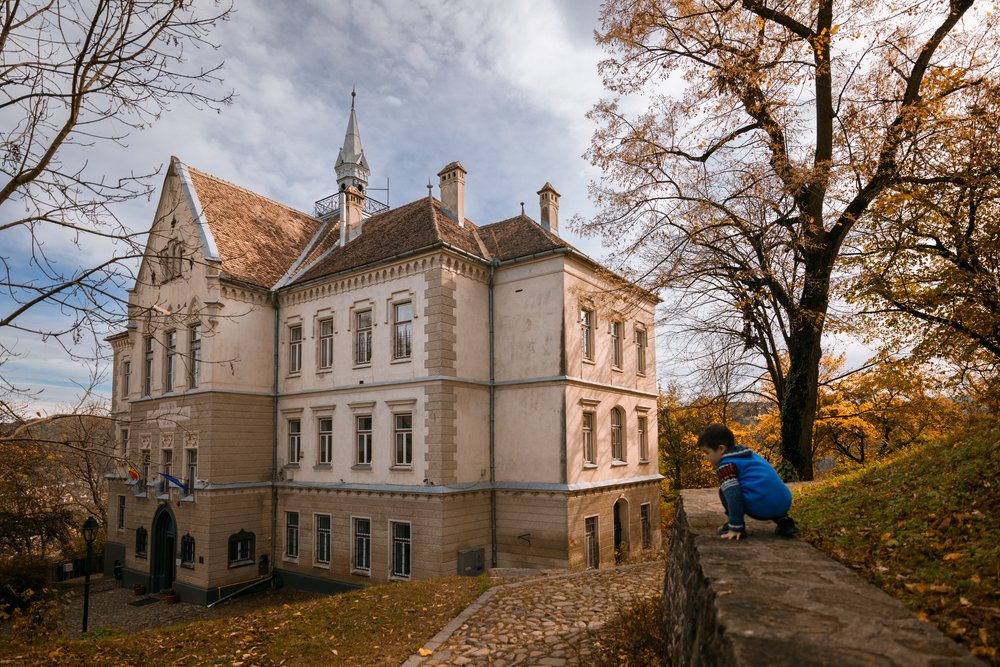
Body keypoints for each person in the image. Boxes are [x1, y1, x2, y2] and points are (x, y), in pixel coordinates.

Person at [697, 423, 797, 540]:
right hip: (784, 502)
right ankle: (784, 523)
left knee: (725, 490)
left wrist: (735, 526)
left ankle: (736, 525)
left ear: (721, 449)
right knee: (763, 489)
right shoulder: (749, 455)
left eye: (707, 453)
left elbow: (734, 496)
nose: (706, 457)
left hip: (760, 507)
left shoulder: (726, 466)